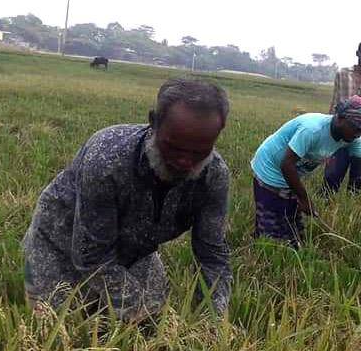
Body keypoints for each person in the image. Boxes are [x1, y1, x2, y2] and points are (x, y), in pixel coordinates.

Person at [22, 79, 233, 321]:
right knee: (59, 325)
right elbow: (91, 254)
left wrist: (212, 321)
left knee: (150, 322)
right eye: (173, 148)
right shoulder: (107, 158)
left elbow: (212, 256)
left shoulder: (213, 177)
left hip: (133, 251)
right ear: (153, 122)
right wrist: (141, 312)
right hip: (63, 241)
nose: (185, 163)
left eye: (199, 152)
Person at [251, 96, 361, 245]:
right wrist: (304, 199)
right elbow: (287, 164)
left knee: (293, 226)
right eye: (355, 128)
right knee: (271, 225)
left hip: (290, 174)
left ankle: (285, 241)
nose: (358, 134)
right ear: (340, 118)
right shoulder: (312, 130)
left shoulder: (352, 138)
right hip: (270, 168)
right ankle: (261, 243)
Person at [323, 39, 361, 194]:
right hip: (340, 134)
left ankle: (349, 208)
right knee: (331, 176)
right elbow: (334, 104)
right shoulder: (342, 74)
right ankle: (326, 207)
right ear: (357, 53)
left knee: (357, 181)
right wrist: (326, 134)